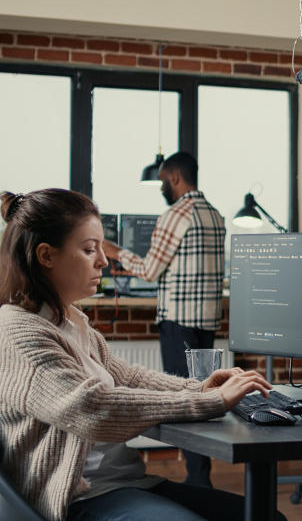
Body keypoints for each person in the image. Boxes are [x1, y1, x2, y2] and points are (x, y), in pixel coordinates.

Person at [0, 188, 280, 521]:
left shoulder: (72, 323)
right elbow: (92, 408)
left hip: (126, 483)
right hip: (79, 497)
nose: (104, 260)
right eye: (90, 250)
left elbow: (130, 378)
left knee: (265, 516)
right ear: (46, 256)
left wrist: (201, 387)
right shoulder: (17, 331)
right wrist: (210, 402)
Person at [103, 151, 225, 487]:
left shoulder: (175, 214)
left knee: (184, 399)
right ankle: (201, 476)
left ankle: (197, 481)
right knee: (203, 393)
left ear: (174, 178)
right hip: (207, 318)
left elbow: (151, 270)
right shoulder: (215, 214)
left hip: (179, 319)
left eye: (161, 181)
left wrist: (115, 252)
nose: (161, 187)